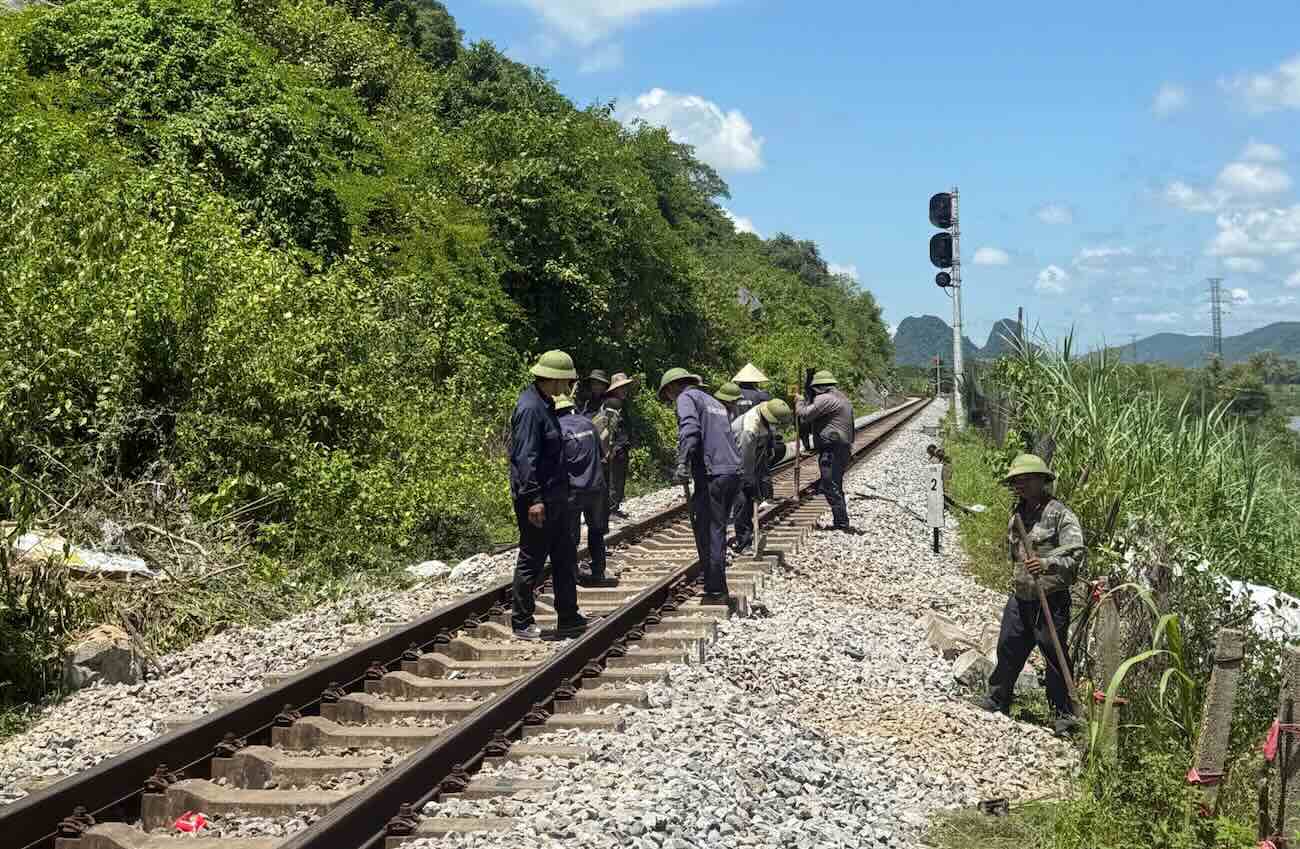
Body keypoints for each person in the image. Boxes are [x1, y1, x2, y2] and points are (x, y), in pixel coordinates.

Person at [979, 454, 1085, 736]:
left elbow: (1076, 555)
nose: (1020, 486)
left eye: (1026, 480)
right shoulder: (1017, 514)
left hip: (1050, 599)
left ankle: (1064, 716)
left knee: (1054, 656)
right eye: (1016, 482)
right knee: (1008, 647)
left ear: (1042, 481)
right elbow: (1014, 553)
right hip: (1022, 597)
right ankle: (997, 699)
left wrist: (1048, 563)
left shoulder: (1060, 515)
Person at [508, 351, 588, 641]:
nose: (568, 386)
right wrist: (534, 499)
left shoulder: (545, 404)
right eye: (565, 380)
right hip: (538, 499)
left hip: (556, 498)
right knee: (532, 558)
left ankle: (568, 615)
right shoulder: (530, 408)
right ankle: (521, 621)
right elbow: (524, 458)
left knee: (564, 557)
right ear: (553, 379)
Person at [659, 367, 741, 606]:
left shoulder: (686, 397)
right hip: (731, 472)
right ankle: (717, 584)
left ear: (673, 387)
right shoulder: (712, 400)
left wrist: (682, 462)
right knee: (716, 528)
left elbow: (691, 430)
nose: (670, 401)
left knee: (709, 530)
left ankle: (715, 590)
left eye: (668, 396)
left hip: (713, 473)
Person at [554, 395, 618, 588]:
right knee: (596, 532)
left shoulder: (557, 428)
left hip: (573, 491)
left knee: (570, 536)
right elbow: (602, 455)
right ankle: (598, 572)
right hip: (596, 488)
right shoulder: (588, 424)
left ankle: (572, 575)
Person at [795, 370, 857, 533]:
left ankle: (842, 523)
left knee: (830, 483)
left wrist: (799, 402)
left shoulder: (825, 399)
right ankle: (841, 521)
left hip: (832, 448)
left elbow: (805, 415)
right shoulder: (841, 397)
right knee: (834, 483)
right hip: (841, 446)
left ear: (820, 387)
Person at [730, 399, 792, 553]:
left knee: (752, 498)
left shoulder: (766, 412)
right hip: (735, 460)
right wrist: (748, 479)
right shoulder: (748, 429)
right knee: (743, 499)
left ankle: (749, 534)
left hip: (752, 457)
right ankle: (743, 542)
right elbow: (744, 458)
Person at [585, 372, 635, 518]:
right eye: (622, 387)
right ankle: (611, 509)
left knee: (615, 479)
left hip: (618, 447)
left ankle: (611, 508)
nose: (624, 390)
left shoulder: (615, 403)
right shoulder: (613, 403)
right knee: (615, 479)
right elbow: (608, 429)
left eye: (625, 387)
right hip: (616, 448)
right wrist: (609, 449)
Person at [733, 363, 775, 503]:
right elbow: (769, 418)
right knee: (761, 467)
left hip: (737, 436)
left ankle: (746, 498)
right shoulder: (762, 395)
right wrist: (772, 442)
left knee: (742, 468)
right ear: (755, 380)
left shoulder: (733, 394)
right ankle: (766, 497)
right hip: (759, 435)